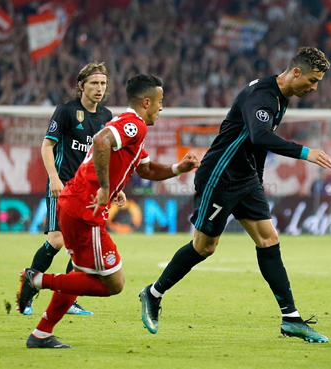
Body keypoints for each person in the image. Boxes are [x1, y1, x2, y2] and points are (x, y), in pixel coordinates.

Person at [140, 47, 331, 343]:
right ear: (296, 72)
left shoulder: (281, 98)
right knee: (204, 247)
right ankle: (153, 293)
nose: (314, 87)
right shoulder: (262, 96)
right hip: (220, 176)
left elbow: (254, 145)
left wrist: (256, 181)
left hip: (245, 179)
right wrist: (305, 152)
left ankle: (291, 318)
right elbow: (260, 136)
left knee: (269, 239)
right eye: (312, 80)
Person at [16, 74, 200, 348]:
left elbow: (146, 169)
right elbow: (101, 141)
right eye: (160, 102)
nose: (162, 108)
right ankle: (37, 279)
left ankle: (41, 334)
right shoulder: (133, 124)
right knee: (114, 283)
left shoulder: (131, 127)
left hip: (75, 204)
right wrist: (104, 187)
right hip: (85, 210)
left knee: (79, 274)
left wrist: (177, 169)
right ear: (146, 102)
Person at [22, 62, 113, 316]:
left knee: (82, 247)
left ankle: (68, 300)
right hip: (62, 188)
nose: (99, 88)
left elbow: (106, 155)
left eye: (103, 84)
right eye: (94, 83)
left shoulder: (106, 117)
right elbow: (47, 146)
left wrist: (112, 187)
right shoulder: (65, 111)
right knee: (56, 240)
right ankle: (27, 293)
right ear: (81, 85)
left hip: (87, 192)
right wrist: (53, 178)